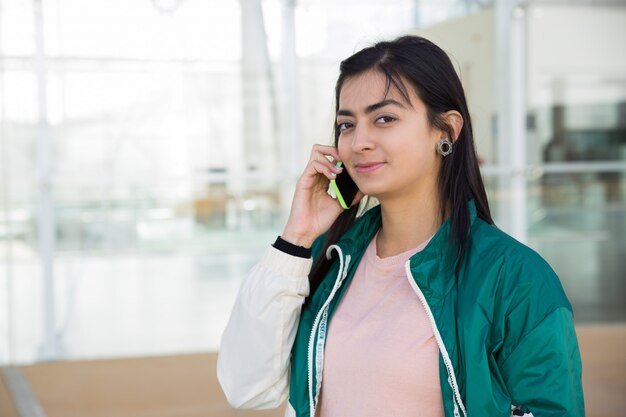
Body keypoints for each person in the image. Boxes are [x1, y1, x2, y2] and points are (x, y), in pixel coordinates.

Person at [217, 35, 584, 417]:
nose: (359, 142)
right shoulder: (332, 257)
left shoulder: (517, 279)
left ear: (446, 130)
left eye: (384, 118)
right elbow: (247, 387)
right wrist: (297, 238)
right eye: (346, 125)